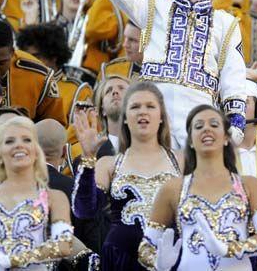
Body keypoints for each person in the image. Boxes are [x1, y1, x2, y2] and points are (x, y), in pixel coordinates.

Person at [102, 0, 247, 146]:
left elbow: (233, 77)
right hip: (154, 108)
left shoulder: (225, 21)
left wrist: (235, 124)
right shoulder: (155, 7)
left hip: (199, 110)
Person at [139, 104, 257, 270]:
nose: (206, 129)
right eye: (198, 126)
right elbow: (146, 246)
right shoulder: (172, 189)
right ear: (190, 140)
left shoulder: (249, 185)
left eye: (214, 124)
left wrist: (231, 249)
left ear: (226, 138)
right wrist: (157, 262)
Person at [73, 81, 181, 270]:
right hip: (121, 261)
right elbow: (84, 210)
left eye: (150, 106)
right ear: (125, 118)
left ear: (161, 116)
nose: (142, 112)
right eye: (135, 107)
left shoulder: (182, 161)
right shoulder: (108, 164)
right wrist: (88, 158)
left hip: (174, 258)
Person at [0, 116, 93, 270]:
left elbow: (64, 245)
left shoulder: (55, 197)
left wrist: (13, 260)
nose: (19, 145)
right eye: (10, 141)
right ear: (0, 152)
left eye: (26, 140)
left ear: (36, 150)